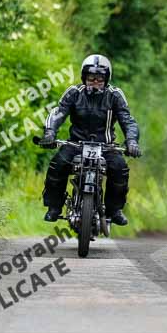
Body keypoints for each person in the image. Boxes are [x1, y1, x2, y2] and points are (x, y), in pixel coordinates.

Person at [40, 54, 141, 226]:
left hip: (107, 146)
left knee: (120, 169)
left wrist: (132, 141)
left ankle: (114, 210)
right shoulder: (74, 93)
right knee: (57, 165)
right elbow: (58, 113)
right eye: (91, 78)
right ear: (84, 77)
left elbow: (127, 120)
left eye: (99, 79)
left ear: (106, 79)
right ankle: (54, 207)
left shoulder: (115, 95)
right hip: (76, 144)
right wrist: (50, 132)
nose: (95, 82)